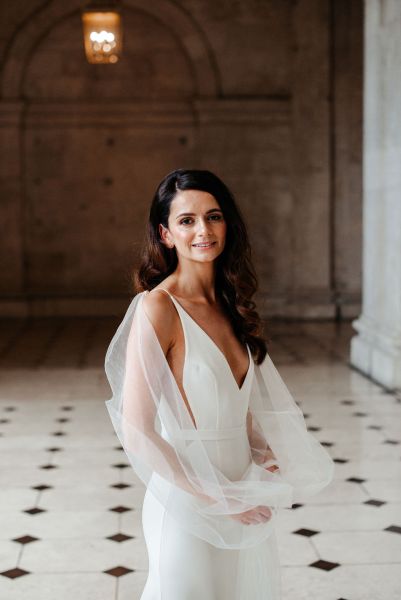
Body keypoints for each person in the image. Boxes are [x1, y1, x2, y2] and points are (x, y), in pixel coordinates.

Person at [104, 169, 334, 599]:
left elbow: (234, 405)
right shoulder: (158, 307)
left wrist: (261, 453)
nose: (203, 230)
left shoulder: (229, 302)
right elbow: (137, 428)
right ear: (166, 234)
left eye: (213, 216)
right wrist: (215, 497)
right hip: (188, 500)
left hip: (242, 489)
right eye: (187, 220)